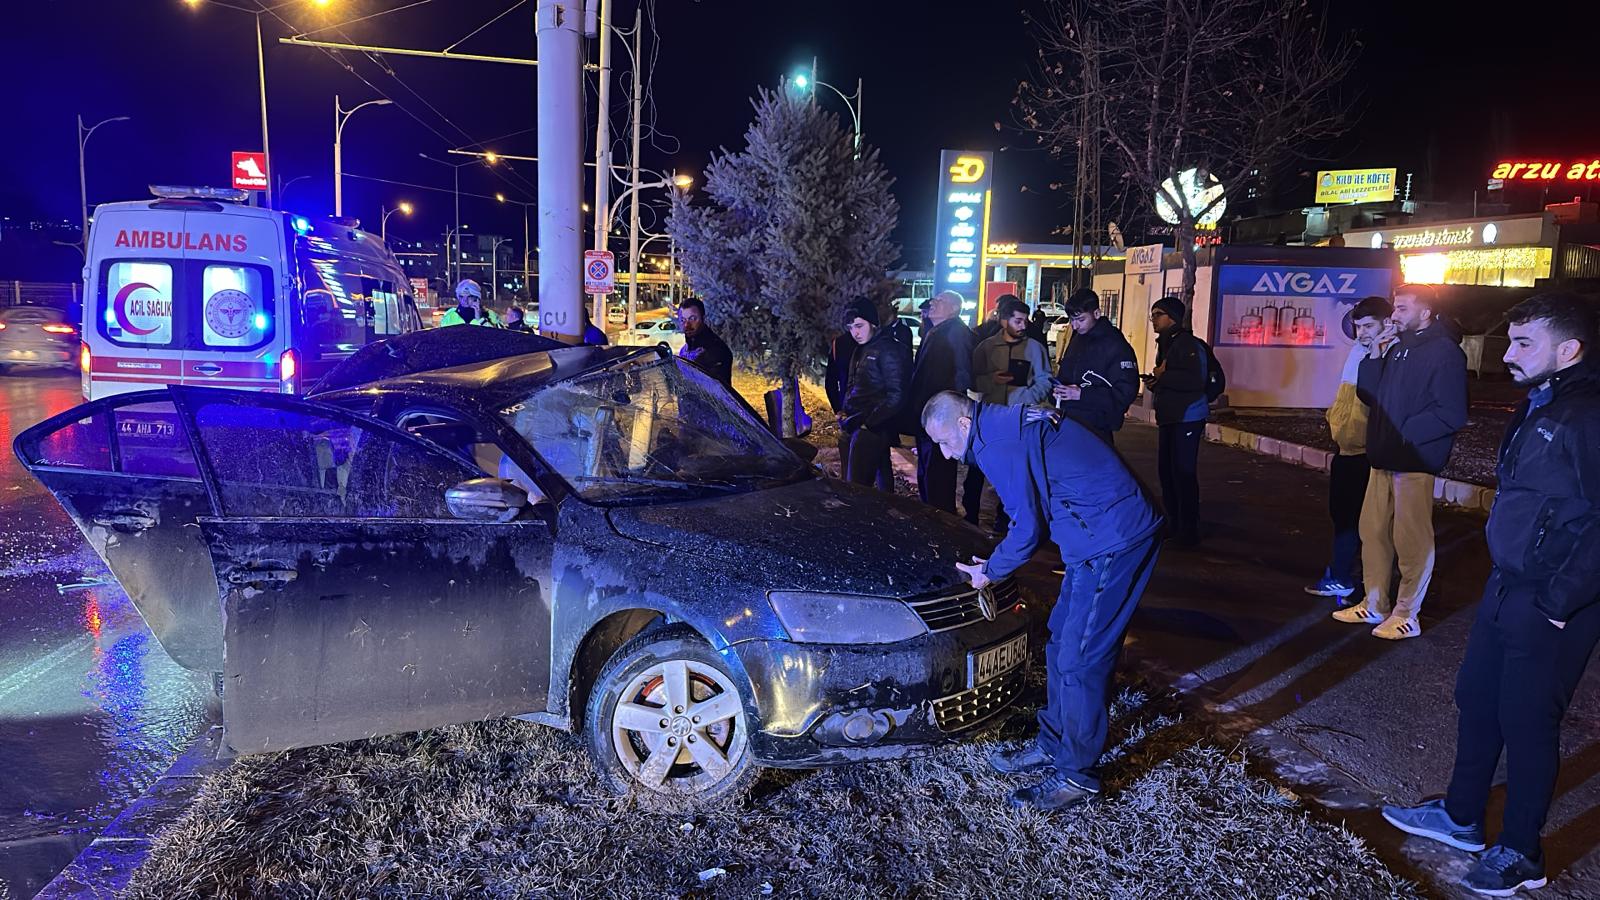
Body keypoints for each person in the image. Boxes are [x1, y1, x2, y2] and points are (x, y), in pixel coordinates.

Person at [1380, 293, 1600, 896]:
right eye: (1511, 340)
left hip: (1553, 598)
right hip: (1509, 584)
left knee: (1528, 722)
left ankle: (1523, 852)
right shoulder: (1544, 400)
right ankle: (1460, 817)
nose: (1508, 353)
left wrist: (1561, 600)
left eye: (1524, 342)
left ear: (1569, 349)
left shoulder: (1588, 414)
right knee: (1478, 699)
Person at [923, 391, 1163, 811]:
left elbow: (1027, 529)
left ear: (963, 424)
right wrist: (996, 560)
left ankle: (1077, 775)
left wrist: (991, 572)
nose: (944, 456)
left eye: (944, 442)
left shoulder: (997, 444)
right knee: (1058, 643)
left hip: (1114, 538)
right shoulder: (997, 426)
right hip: (1091, 537)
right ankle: (1054, 744)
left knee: (1081, 656)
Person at [1332, 284, 1467, 639]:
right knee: (1373, 532)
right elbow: (1369, 395)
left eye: (1403, 308)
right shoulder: (1397, 348)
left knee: (1411, 541)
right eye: (1395, 307)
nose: (1394, 315)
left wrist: (1404, 432)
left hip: (1413, 460)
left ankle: (1408, 614)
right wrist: (1375, 354)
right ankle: (1374, 604)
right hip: (1382, 457)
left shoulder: (1444, 352)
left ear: (1425, 313)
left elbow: (1451, 412)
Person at [1305, 296, 1393, 599]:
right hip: (1347, 450)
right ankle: (1342, 574)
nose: (1362, 333)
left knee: (1365, 523)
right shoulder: (1359, 351)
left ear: (1387, 323)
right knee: (1342, 517)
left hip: (1367, 453)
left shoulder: (1388, 354)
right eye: (1358, 327)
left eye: (1369, 326)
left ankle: (1355, 581)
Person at [962, 295, 1052, 528]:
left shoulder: (1035, 349)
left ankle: (1006, 519)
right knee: (977, 469)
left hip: (1019, 419)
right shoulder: (986, 348)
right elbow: (973, 380)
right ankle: (970, 515)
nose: (1023, 326)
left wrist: (1024, 397)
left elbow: (1045, 381)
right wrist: (992, 381)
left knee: (1014, 471)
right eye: (1018, 321)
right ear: (1004, 321)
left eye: (1025, 321)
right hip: (990, 416)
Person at [900, 290, 975, 513]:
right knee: (927, 471)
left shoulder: (958, 333)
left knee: (938, 474)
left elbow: (964, 373)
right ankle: (930, 514)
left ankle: (942, 521)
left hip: (943, 417)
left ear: (953, 309)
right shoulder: (935, 331)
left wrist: (950, 409)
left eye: (939, 301)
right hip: (929, 415)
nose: (933, 303)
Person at [1143, 296, 1209, 547]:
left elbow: (1194, 381)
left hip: (1187, 417)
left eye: (1157, 314)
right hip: (1170, 417)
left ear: (1172, 317)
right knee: (1167, 471)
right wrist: (1156, 382)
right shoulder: (1168, 344)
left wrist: (1164, 376)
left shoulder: (1187, 345)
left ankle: (1188, 530)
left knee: (1182, 473)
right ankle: (1174, 523)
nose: (1153, 320)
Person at [1051, 288, 1139, 444]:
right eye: (1072, 320)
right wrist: (1057, 390)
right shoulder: (1078, 338)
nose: (1075, 326)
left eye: (1081, 320)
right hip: (1069, 421)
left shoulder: (1115, 345)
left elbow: (1126, 392)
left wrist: (1081, 394)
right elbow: (1066, 374)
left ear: (1097, 314)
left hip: (1097, 428)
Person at [840, 299, 910, 489]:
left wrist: (869, 423)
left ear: (873, 323)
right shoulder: (861, 349)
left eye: (859, 326)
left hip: (871, 427)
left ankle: (861, 516)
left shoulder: (888, 349)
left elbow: (897, 394)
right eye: (851, 327)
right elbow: (852, 383)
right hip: (857, 423)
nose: (855, 332)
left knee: (856, 485)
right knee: (880, 473)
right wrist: (846, 410)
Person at [677, 298, 734, 388]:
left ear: (704, 318)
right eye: (683, 320)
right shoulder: (686, 348)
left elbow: (713, 392)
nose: (686, 325)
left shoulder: (716, 351)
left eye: (692, 319)